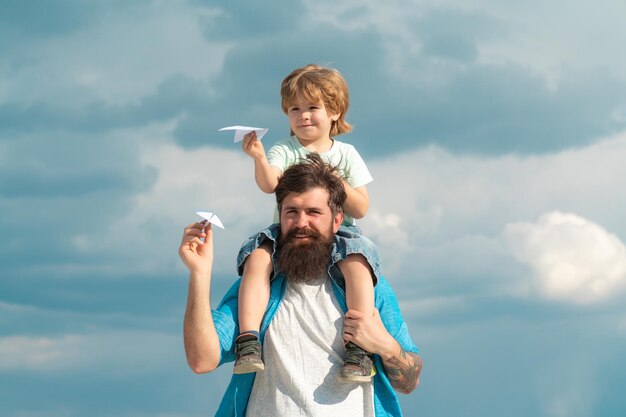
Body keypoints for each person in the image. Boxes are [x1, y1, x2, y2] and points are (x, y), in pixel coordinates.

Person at [179, 154, 423, 416]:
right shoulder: (258, 288)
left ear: (337, 220)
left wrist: (384, 345)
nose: (301, 223)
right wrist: (199, 274)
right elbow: (201, 359)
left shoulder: (368, 288)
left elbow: (409, 381)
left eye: (314, 212)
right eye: (291, 212)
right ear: (280, 216)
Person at [237, 64, 380, 381]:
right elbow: (270, 183)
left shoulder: (346, 154)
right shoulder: (284, 149)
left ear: (334, 111)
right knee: (257, 258)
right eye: (294, 109)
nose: (303, 115)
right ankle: (248, 339)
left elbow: (362, 207)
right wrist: (259, 158)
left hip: (339, 231)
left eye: (312, 107)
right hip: (289, 232)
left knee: (359, 261)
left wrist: (336, 181)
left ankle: (358, 347)